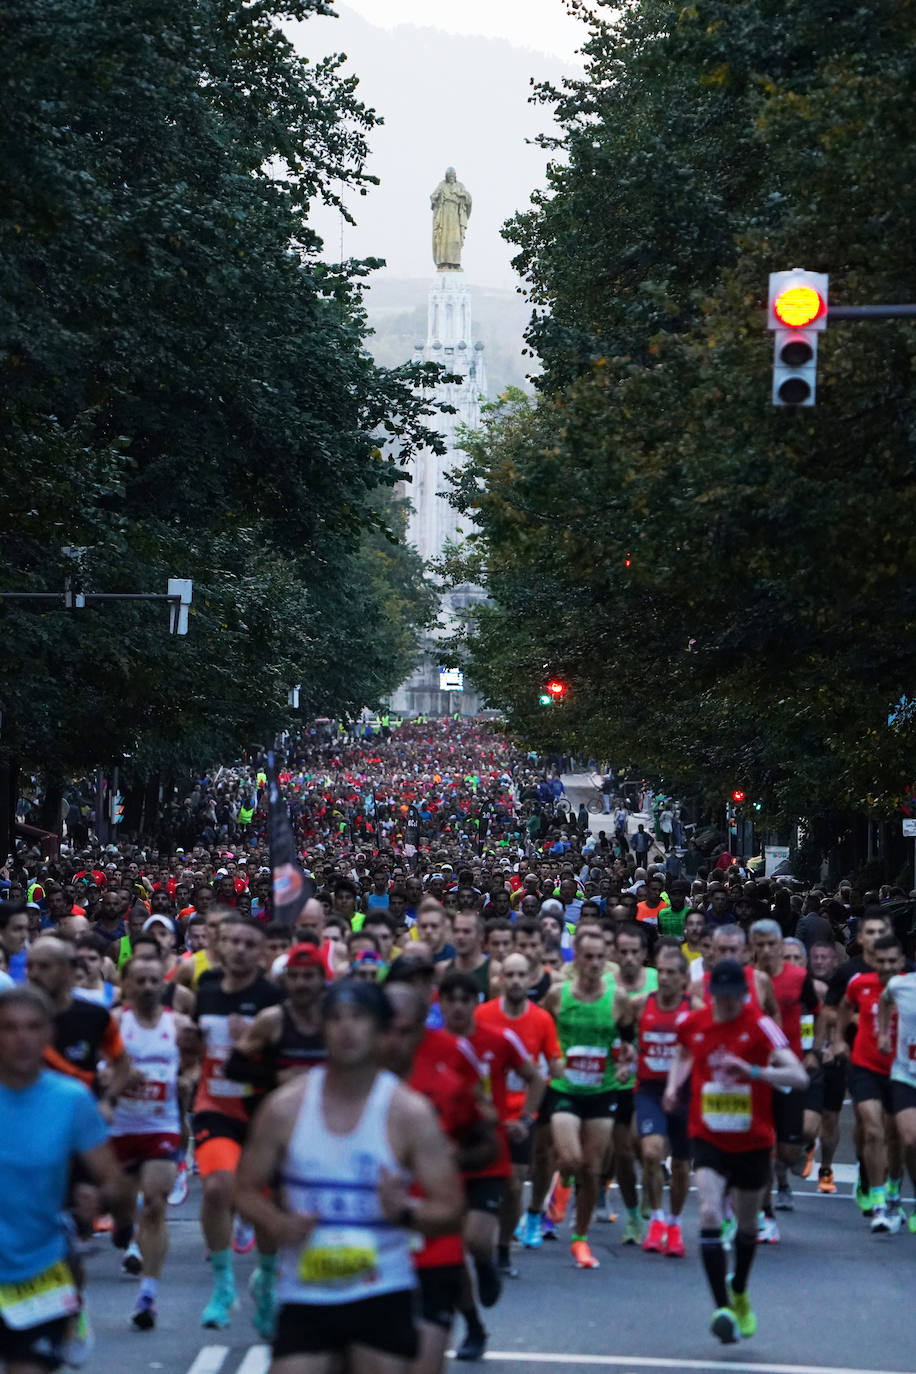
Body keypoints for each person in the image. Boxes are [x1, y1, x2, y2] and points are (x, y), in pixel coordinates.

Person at [235, 979, 464, 1374]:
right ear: (322, 1029)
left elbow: (451, 1208)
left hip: (381, 1291)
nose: (346, 1028)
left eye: (358, 1018)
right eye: (336, 1018)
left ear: (379, 1031)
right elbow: (243, 1187)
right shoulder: (284, 1109)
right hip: (307, 1293)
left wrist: (405, 1211)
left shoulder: (408, 1113)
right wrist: (277, 1223)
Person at [664, 959, 807, 1344]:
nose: (726, 1005)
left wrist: (755, 1072)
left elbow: (799, 1075)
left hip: (753, 1139)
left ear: (743, 996)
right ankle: (722, 1307)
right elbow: (682, 1053)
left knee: (746, 1228)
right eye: (720, 997)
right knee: (709, 1211)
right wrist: (672, 1087)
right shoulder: (693, 1024)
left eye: (733, 998)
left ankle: (740, 1289)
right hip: (707, 1134)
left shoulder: (760, 1025)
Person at [0, 985, 133, 1372]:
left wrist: (103, 1199)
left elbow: (118, 1187)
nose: (21, 1039)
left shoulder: (70, 1100)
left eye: (32, 1028)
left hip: (39, 1271)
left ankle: (72, 1318)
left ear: (48, 1036)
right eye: (9, 1028)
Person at [384, 982, 497, 1374]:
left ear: (422, 1028)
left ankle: (474, 1326)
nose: (396, 1041)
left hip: (434, 1222)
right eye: (388, 1029)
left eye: (407, 1030)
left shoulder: (449, 1063)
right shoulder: (352, 1076)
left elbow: (486, 1137)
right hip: (374, 1238)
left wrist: (450, 1158)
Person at [438, 969, 543, 1362]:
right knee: (449, 1252)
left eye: (468, 999)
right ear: (443, 1004)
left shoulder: (498, 1041)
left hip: (488, 1155)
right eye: (453, 999)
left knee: (476, 1240)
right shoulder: (428, 1046)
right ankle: (474, 1327)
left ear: (476, 1003)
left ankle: (488, 1262)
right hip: (442, 1160)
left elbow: (535, 1079)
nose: (460, 1007)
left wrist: (525, 1121)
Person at [185, 915, 283, 1330]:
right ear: (221, 948)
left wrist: (255, 1040)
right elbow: (195, 1049)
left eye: (249, 943)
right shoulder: (204, 993)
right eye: (233, 942)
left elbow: (284, 1059)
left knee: (263, 1206)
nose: (240, 949)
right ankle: (223, 1283)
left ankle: (267, 1279)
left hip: (261, 1113)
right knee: (218, 1188)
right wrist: (188, 1066)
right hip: (215, 1107)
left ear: (261, 952)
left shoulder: (271, 997)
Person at [535, 928, 637, 1269]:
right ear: (576, 958)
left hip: (602, 1089)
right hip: (564, 1088)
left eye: (599, 957)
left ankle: (579, 1239)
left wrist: (626, 1065)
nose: (594, 963)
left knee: (593, 1170)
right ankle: (561, 1185)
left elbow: (629, 1043)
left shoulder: (618, 999)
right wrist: (551, 1060)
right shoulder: (557, 995)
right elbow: (537, 1031)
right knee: (570, 1158)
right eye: (588, 957)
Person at [110, 951, 190, 1330]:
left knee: (155, 1204)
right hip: (120, 1129)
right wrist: (117, 1084)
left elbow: (195, 1061)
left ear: (164, 985)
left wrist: (186, 1079)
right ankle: (123, 1225)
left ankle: (148, 1295)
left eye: (153, 981)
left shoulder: (179, 1026)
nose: (146, 988)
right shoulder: (112, 1025)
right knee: (123, 1208)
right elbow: (93, 1071)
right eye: (138, 981)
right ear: (125, 985)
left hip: (161, 1126)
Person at [476, 953, 562, 1265]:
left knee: (513, 1185)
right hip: (487, 1114)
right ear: (500, 980)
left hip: (523, 1116)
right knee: (482, 1181)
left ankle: (502, 1248)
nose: (514, 981)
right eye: (508, 975)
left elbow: (553, 1061)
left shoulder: (542, 1019)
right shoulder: (483, 1015)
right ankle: (480, 1239)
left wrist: (564, 1067)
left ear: (530, 980)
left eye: (520, 975)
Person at [832, 934, 905, 1232]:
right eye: (880, 961)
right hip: (865, 1065)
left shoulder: (909, 987)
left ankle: (893, 1188)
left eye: (892, 962)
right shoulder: (859, 983)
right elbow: (843, 1010)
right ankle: (877, 1203)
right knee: (873, 1130)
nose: (886, 967)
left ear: (901, 963)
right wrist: (838, 1041)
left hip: (900, 1070)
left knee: (896, 1134)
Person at [749, 918, 821, 1216]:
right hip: (755, 1071)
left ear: (780, 945)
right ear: (752, 948)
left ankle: (784, 1176)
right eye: (760, 945)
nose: (766, 950)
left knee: (790, 1149)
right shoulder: (746, 979)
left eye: (771, 944)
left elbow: (817, 1014)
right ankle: (765, 1208)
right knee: (762, 1143)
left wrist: (814, 1050)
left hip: (789, 1069)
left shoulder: (798, 978)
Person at [634, 945, 692, 1257]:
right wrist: (628, 1053)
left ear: (684, 977)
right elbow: (623, 1034)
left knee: (682, 1166)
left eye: (672, 973)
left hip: (685, 1094)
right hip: (650, 1091)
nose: (665, 978)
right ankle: (656, 1219)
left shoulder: (693, 1009)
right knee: (651, 1152)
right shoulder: (640, 1005)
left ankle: (675, 1223)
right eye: (662, 972)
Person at [226, 942, 327, 1086]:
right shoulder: (272, 1019)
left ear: (322, 978)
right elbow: (234, 1068)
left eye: (308, 976)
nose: (300, 983)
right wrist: (276, 1077)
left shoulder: (336, 1019)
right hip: (283, 1105)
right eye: (293, 976)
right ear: (285, 979)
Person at [878, 961, 916, 1232]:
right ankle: (893, 1190)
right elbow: (884, 1000)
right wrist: (882, 1033)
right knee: (910, 1139)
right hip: (906, 1073)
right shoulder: (900, 984)